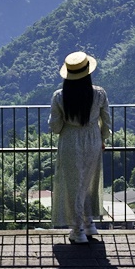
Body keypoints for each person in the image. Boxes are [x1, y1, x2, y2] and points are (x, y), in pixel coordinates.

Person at [50, 51, 111, 244]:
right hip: (93, 139)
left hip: (70, 141)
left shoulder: (59, 96)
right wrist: (102, 138)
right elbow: (107, 121)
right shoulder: (99, 93)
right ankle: (89, 223)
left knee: (73, 185)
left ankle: (77, 231)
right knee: (88, 182)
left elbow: (56, 127)